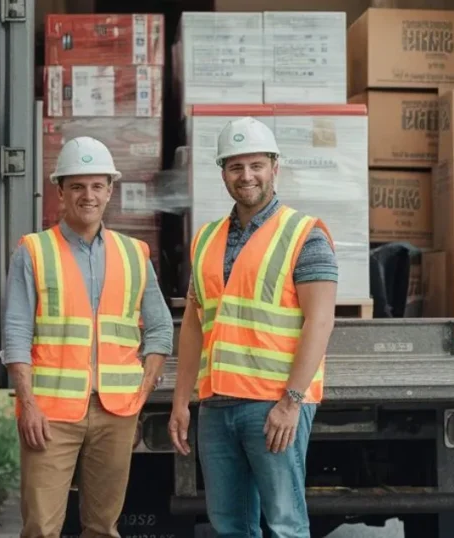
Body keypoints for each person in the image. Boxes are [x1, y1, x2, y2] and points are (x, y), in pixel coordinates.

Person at [167, 117, 338, 537]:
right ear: (223, 172)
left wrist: (291, 402)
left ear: (275, 167)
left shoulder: (304, 235)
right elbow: (194, 323)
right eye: (236, 166)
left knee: (284, 524)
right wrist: (180, 401)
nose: (247, 176)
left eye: (256, 165)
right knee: (229, 525)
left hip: (272, 405)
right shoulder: (206, 238)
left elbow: (321, 320)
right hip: (217, 405)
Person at [1, 135, 174, 538]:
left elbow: (161, 327)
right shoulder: (34, 251)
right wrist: (27, 404)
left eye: (97, 185)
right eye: (77, 186)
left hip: (117, 412)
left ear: (110, 191)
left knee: (102, 527)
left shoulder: (134, 253)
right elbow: (16, 332)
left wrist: (142, 391)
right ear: (60, 191)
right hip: (50, 414)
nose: (88, 195)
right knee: (41, 527)